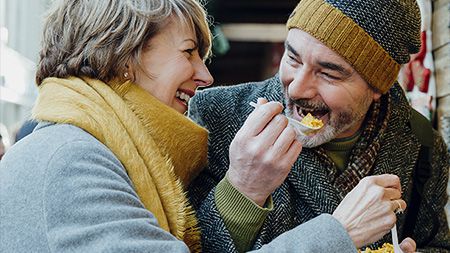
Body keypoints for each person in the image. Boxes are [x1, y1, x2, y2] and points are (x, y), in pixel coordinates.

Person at [0, 0, 408, 253]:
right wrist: (338, 234)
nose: (206, 75)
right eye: (189, 51)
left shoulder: (109, 150)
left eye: (330, 72)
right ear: (125, 56)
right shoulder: (70, 161)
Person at [188, 0, 450, 252]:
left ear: (377, 87)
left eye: (328, 74)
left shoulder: (424, 145)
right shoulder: (213, 118)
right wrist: (242, 189)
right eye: (293, 58)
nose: (296, 88)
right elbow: (187, 245)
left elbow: (434, 242)